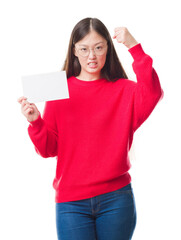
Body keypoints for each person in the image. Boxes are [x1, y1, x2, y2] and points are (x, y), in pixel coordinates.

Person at [17, 17, 164, 240]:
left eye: (98, 47)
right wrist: (36, 122)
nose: (92, 56)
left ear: (108, 47)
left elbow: (153, 92)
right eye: (84, 49)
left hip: (116, 199)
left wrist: (133, 45)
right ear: (74, 51)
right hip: (71, 203)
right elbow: (49, 149)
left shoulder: (124, 90)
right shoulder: (60, 90)